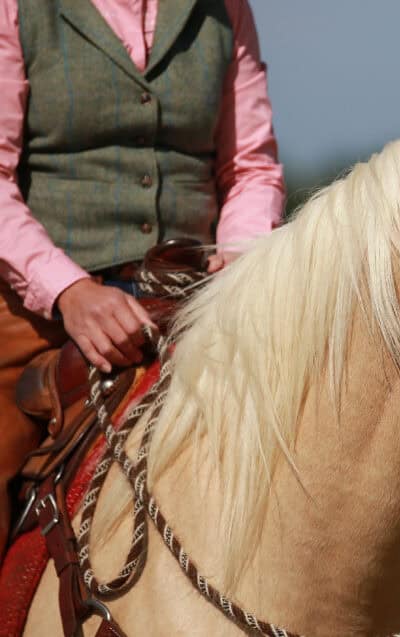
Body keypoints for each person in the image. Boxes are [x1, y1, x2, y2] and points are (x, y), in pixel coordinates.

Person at [0, 0, 285, 557]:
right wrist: (70, 292)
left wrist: (239, 259)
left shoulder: (226, 9)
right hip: (39, 313)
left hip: (192, 303)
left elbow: (250, 166)